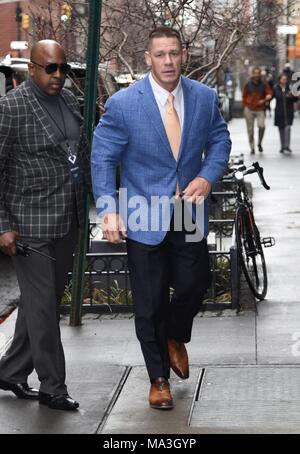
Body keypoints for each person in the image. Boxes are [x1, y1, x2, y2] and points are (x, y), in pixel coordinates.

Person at [91, 27, 231, 410]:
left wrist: (206, 176)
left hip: (187, 209)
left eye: (174, 53)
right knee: (149, 303)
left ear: (183, 54)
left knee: (195, 282)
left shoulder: (203, 98)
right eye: (160, 55)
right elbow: (103, 157)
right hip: (141, 214)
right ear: (148, 59)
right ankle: (158, 379)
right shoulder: (123, 104)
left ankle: (174, 335)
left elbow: (220, 141)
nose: (168, 61)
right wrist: (109, 210)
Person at [0, 40, 91, 411]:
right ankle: (53, 386)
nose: (58, 76)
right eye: (50, 68)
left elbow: (80, 156)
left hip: (67, 218)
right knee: (42, 308)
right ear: (32, 69)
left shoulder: (70, 102)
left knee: (43, 303)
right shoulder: (11, 108)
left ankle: (10, 370)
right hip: (28, 224)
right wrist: (2, 224)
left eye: (63, 68)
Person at [243, 67, 273, 154]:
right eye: (255, 73)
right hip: (249, 108)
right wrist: (245, 105)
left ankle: (259, 143)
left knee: (262, 126)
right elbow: (244, 96)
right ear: (252, 74)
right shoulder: (248, 84)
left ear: (260, 74)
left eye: (258, 73)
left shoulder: (263, 84)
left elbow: (269, 92)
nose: (256, 75)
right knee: (250, 129)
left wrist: (268, 96)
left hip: (260, 108)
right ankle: (252, 147)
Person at [273, 73, 298, 153]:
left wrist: (292, 96)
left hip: (288, 111)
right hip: (279, 111)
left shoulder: (290, 88)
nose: (284, 81)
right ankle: (282, 146)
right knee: (281, 129)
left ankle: (287, 145)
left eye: (285, 79)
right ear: (279, 80)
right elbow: (273, 96)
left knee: (288, 128)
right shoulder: (276, 88)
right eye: (282, 79)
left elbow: (296, 99)